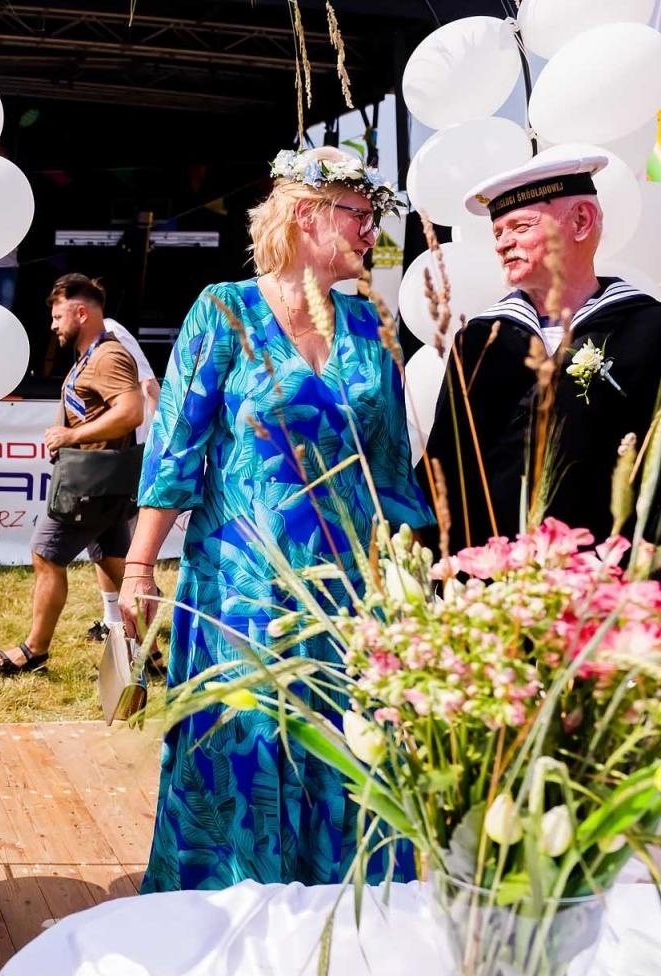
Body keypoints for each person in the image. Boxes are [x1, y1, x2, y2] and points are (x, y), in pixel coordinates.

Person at [123, 146, 433, 892]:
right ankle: (226, 929)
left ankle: (348, 930)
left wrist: (412, 586)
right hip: (242, 591)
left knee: (348, 752)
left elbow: (392, 471)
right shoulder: (223, 310)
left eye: (372, 218)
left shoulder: (370, 329)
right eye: (358, 216)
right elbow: (174, 453)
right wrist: (138, 567)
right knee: (243, 757)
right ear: (305, 216)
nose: (371, 234)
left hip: (351, 599)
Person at [423, 153, 661, 550]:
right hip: (499, 588)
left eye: (520, 226)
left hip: (615, 585)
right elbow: (445, 466)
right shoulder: (479, 341)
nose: (503, 244)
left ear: (581, 221)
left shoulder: (648, 329)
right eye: (498, 232)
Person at [0, 275, 142, 676]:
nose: (53, 325)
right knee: (118, 567)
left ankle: (34, 650)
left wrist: (73, 434)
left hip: (89, 484)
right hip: (101, 482)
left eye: (58, 316)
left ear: (81, 312)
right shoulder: (89, 356)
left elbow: (131, 411)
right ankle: (151, 652)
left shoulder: (108, 356)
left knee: (45, 555)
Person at [91, 314, 163, 643]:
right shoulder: (92, 341)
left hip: (133, 450)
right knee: (107, 539)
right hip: (117, 452)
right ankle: (113, 621)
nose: (54, 324)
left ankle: (141, 629)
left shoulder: (111, 331)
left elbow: (149, 384)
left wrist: (160, 444)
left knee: (121, 545)